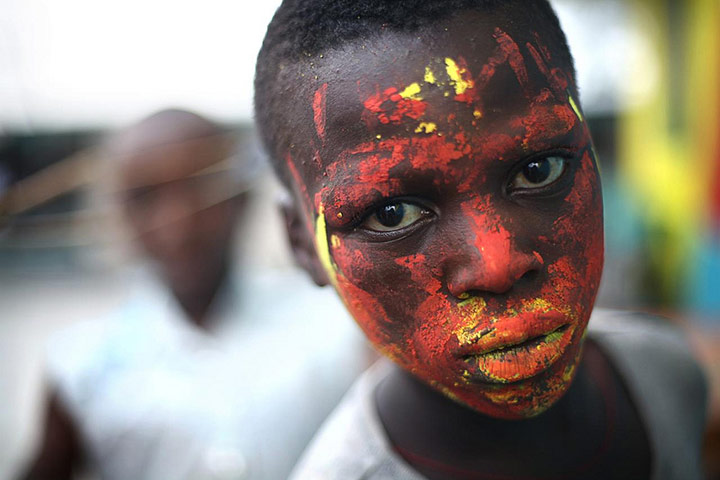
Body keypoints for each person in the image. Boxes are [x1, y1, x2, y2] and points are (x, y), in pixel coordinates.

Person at [253, 1, 708, 479]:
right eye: (392, 215)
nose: (497, 263)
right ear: (303, 246)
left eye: (539, 170)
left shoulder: (666, 378)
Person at [19, 109, 366, 480]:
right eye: (144, 198)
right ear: (120, 214)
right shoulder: (82, 365)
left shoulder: (338, 325)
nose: (177, 223)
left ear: (242, 196)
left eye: (200, 189)